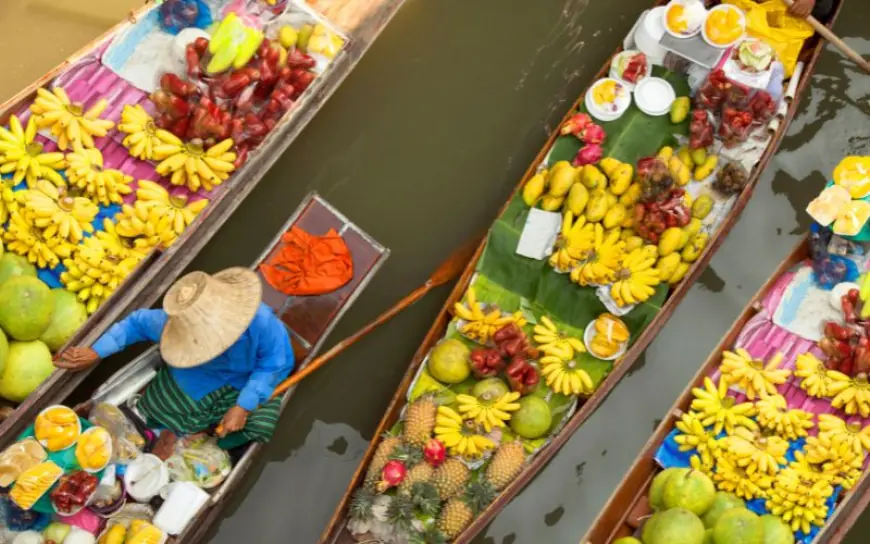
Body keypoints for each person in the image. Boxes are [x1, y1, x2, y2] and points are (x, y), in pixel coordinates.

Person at [56, 267, 295, 450]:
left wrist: (243, 405)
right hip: (198, 375)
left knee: (260, 424)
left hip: (246, 381)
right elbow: (135, 324)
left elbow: (275, 364)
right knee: (159, 408)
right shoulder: (174, 324)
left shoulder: (263, 325)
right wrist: (96, 352)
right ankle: (176, 433)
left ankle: (214, 444)